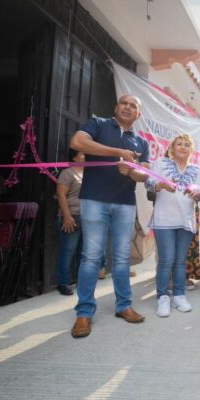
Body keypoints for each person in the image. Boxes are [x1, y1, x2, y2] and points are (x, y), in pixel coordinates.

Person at [68, 94, 150, 338]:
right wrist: (119, 152)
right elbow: (77, 142)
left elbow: (145, 175)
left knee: (122, 258)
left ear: (139, 114)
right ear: (116, 107)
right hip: (94, 199)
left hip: (125, 204)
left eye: (134, 106)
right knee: (91, 257)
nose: (128, 107)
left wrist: (132, 172)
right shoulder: (98, 124)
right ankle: (84, 312)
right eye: (124, 103)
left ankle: (124, 305)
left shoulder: (142, 142)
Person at [146, 134, 200, 317]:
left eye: (187, 144)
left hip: (185, 220)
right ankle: (162, 297)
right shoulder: (161, 163)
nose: (183, 147)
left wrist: (196, 195)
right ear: (172, 147)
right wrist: (162, 185)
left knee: (180, 261)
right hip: (164, 220)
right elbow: (149, 183)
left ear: (191, 150)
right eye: (179, 144)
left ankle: (179, 295)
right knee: (166, 260)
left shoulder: (197, 170)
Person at [55, 150, 85, 296]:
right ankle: (63, 282)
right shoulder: (67, 173)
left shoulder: (90, 173)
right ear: (74, 157)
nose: (86, 156)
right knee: (68, 251)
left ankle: (82, 280)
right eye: (82, 154)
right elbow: (60, 195)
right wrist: (67, 216)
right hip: (71, 217)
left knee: (84, 252)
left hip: (87, 218)